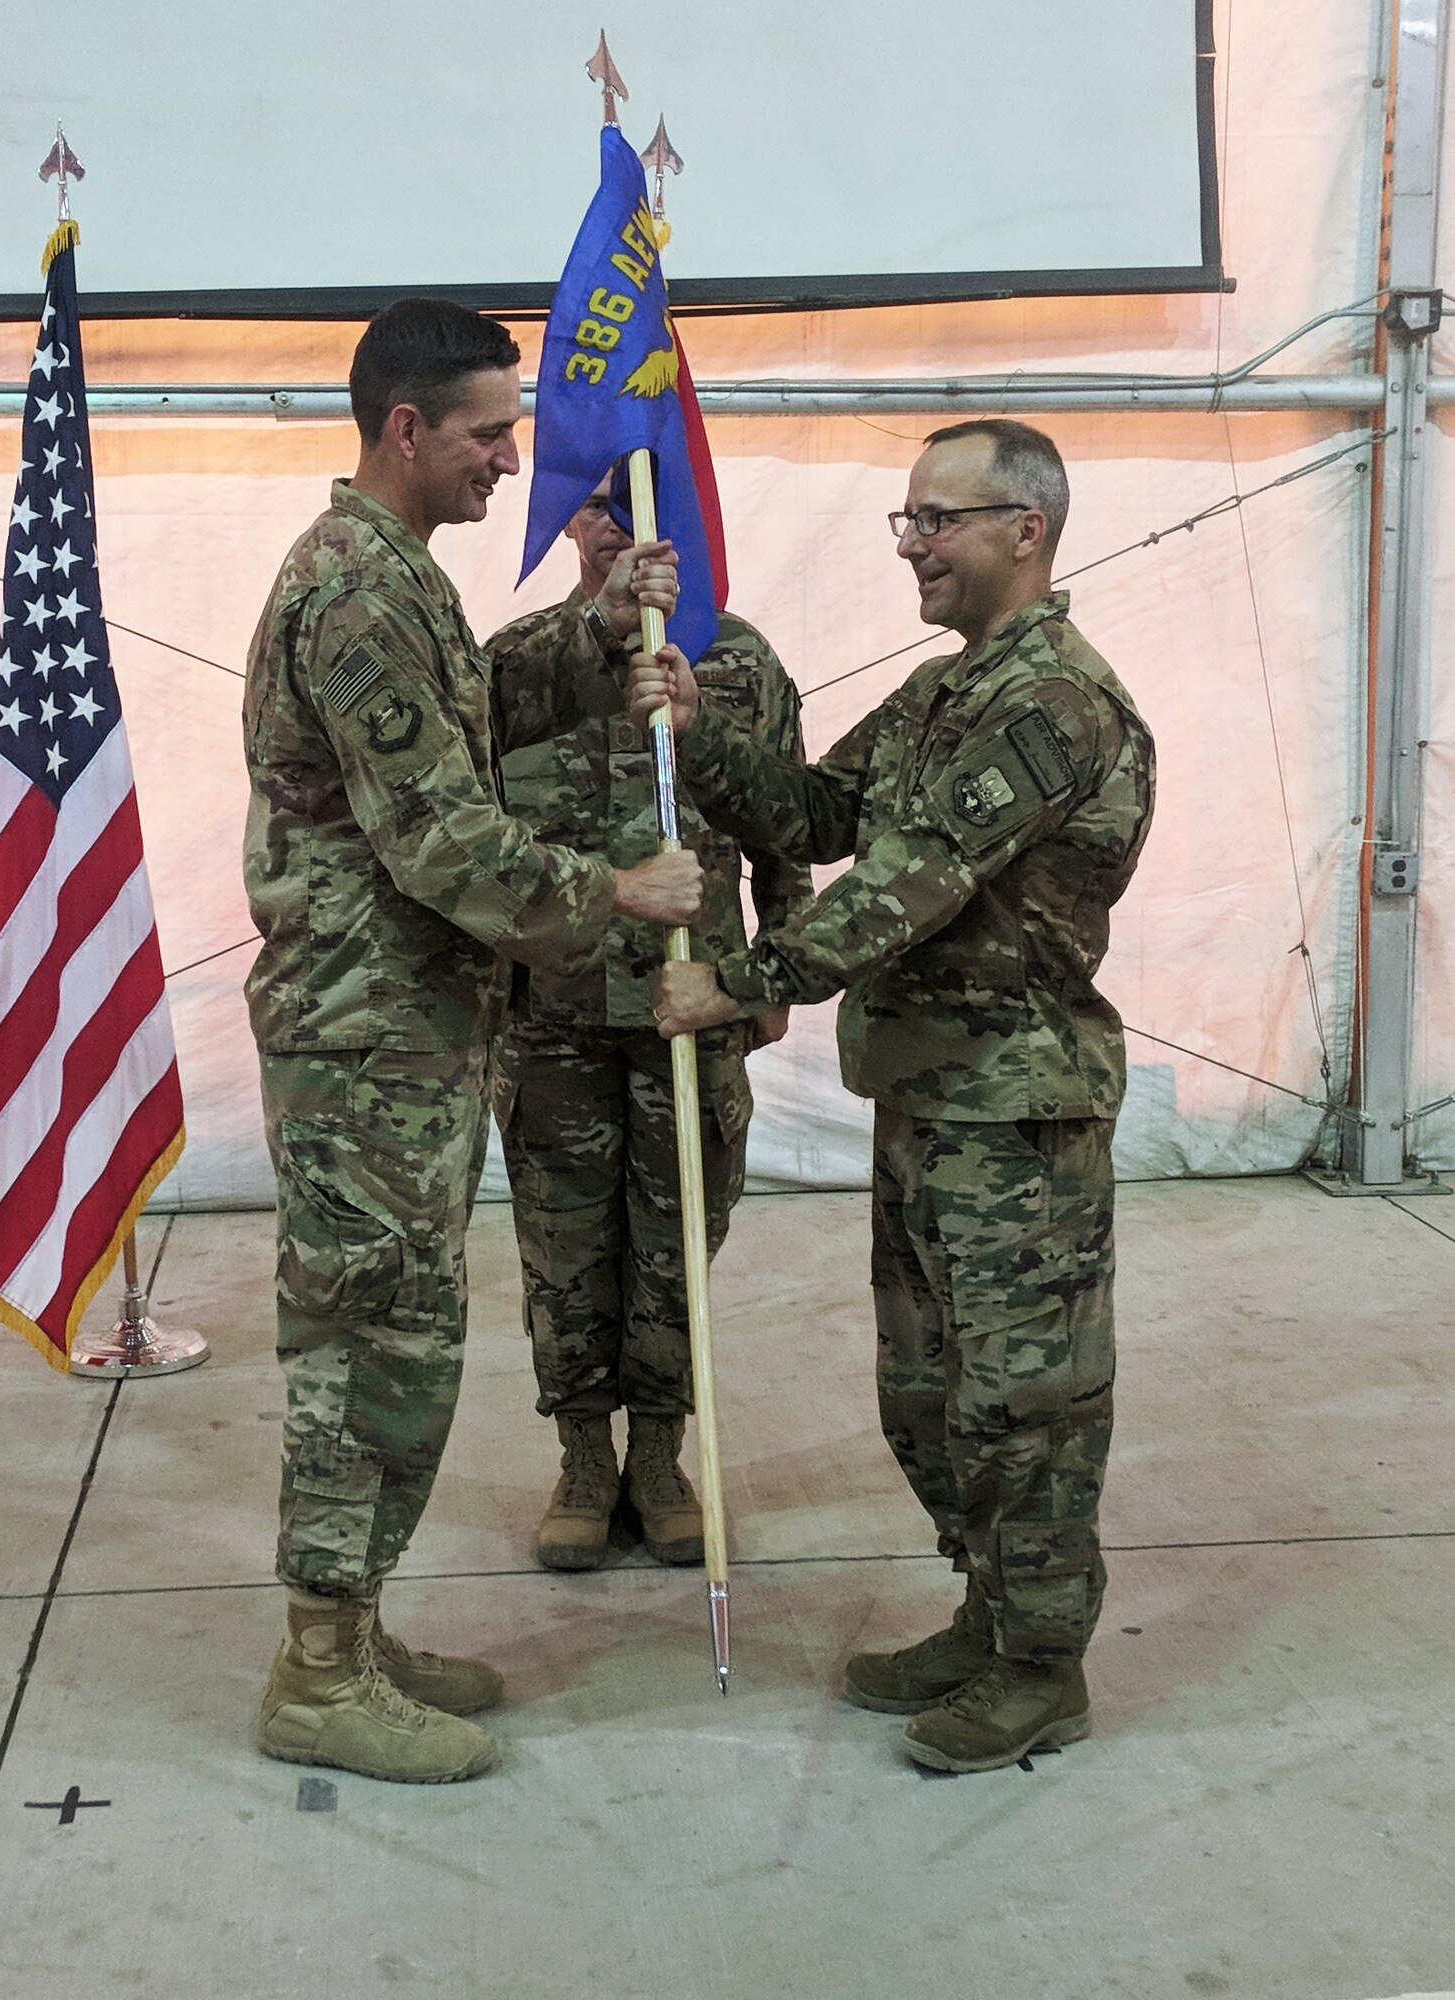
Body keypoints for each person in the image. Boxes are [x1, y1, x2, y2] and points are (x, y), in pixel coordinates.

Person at [630, 419, 1155, 1774]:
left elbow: (904, 883)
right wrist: (703, 729)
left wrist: (743, 981)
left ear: (1023, 529)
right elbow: (814, 813)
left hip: (1016, 1115)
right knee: (927, 1392)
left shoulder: (1052, 704)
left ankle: (1042, 1664)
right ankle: (986, 1615)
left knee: (1023, 1408)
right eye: (904, 521)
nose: (912, 545)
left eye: (938, 520)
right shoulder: (945, 695)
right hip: (929, 1100)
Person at [242, 300, 703, 1786]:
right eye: (492, 432)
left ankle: (352, 1633)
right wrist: (613, 893)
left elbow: (468, 720)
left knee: (404, 1346)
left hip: (414, 1036)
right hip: (369, 1042)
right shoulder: (356, 591)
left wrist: (592, 630)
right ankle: (319, 1670)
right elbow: (438, 833)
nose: (517, 458)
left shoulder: (396, 578)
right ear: (403, 428)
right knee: (365, 1354)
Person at [486, 478, 812, 1572]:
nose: (614, 520)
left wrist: (773, 971)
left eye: (636, 498)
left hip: (694, 1006)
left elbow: (785, 824)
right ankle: (584, 1459)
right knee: (564, 1245)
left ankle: (662, 1455)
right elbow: (470, 838)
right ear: (566, 519)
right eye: (593, 502)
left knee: (679, 1239)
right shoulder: (515, 665)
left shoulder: (740, 661)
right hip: (556, 1011)